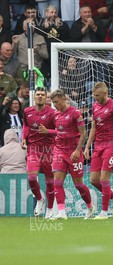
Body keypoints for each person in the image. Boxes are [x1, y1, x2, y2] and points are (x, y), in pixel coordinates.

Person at [83, 82, 113, 220]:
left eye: (97, 96)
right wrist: (87, 146)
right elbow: (93, 128)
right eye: (94, 95)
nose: (95, 98)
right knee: (93, 180)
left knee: (104, 178)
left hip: (112, 144)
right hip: (98, 145)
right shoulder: (95, 106)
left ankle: (103, 212)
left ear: (105, 93)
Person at [47, 89, 95, 220]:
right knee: (57, 182)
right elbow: (59, 131)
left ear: (63, 99)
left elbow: (84, 133)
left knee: (78, 185)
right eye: (52, 102)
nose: (54, 105)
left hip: (74, 152)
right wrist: (48, 131)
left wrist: (78, 150)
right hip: (59, 151)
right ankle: (62, 212)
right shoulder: (55, 115)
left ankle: (90, 207)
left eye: (56, 102)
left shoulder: (75, 113)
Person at [21, 88, 55, 218]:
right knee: (31, 177)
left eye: (42, 95)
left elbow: (59, 130)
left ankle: (50, 209)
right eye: (38, 94)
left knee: (49, 182)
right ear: (34, 97)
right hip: (33, 148)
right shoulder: (27, 111)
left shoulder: (52, 113)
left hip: (48, 149)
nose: (40, 96)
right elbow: (26, 125)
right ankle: (40, 199)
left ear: (46, 97)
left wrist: (49, 132)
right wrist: (24, 138)